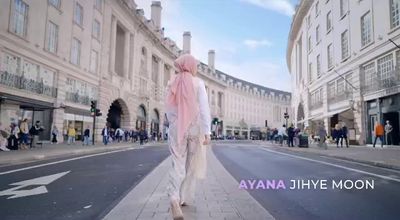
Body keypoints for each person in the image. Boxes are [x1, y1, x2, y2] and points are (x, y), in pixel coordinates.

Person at [165, 54, 211, 219]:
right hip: (194, 127)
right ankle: (183, 196)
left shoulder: (172, 82)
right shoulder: (198, 83)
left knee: (177, 163)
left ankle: (174, 198)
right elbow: (205, 109)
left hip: (177, 127)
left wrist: (175, 123)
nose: (196, 68)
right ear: (191, 66)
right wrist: (207, 132)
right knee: (190, 165)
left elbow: (168, 110)